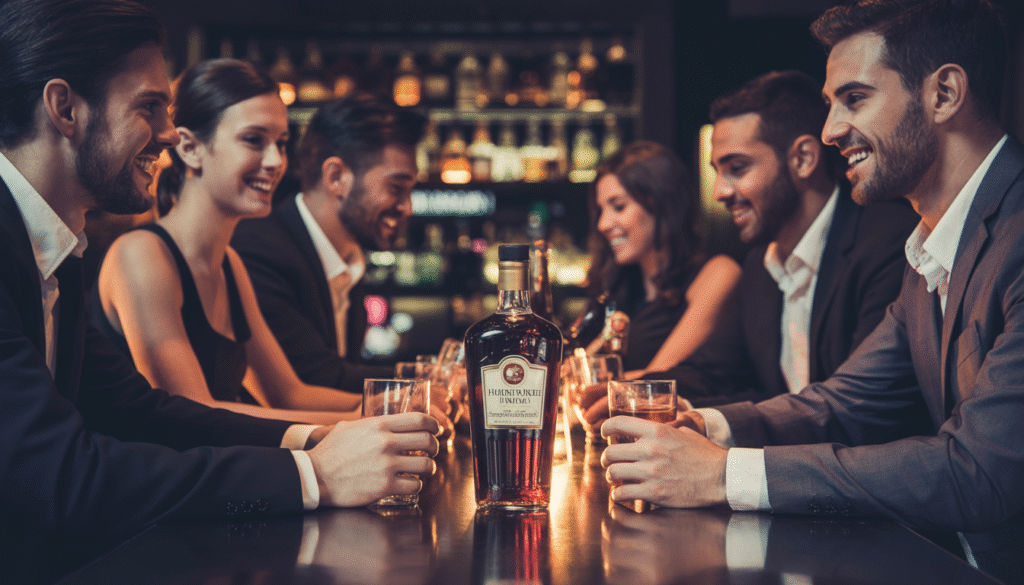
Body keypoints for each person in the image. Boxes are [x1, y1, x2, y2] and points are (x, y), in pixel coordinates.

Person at [600, 1, 1023, 582]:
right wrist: (704, 427)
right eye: (830, 106)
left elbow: (982, 473)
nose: (829, 132)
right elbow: (842, 403)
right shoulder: (931, 248)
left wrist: (725, 473)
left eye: (855, 99)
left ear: (944, 94)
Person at [0, 0, 438, 546]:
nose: (168, 132)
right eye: (150, 108)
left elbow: (145, 413)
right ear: (65, 109)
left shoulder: (61, 253)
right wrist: (316, 474)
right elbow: (60, 477)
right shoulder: (91, 250)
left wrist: (326, 437)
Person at [609, 71, 918, 410]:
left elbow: (858, 407)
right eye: (718, 172)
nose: (720, 192)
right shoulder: (760, 266)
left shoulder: (887, 242)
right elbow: (714, 374)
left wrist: (715, 428)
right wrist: (625, 392)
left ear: (803, 159)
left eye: (737, 168)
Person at [93, 58, 369, 426]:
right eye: (254, 140)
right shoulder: (141, 255)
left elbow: (287, 394)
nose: (275, 161)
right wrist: (367, 420)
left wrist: (394, 403)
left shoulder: (230, 265)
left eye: (281, 144)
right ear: (189, 148)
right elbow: (191, 412)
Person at [231, 93, 421, 394]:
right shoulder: (259, 252)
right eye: (395, 188)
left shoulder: (350, 260)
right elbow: (315, 381)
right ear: (336, 177)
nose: (407, 207)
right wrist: (428, 381)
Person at [581, 140, 741, 376]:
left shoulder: (717, 273)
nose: (603, 224)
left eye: (619, 207)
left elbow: (658, 380)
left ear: (661, 204)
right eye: (601, 210)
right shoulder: (621, 287)